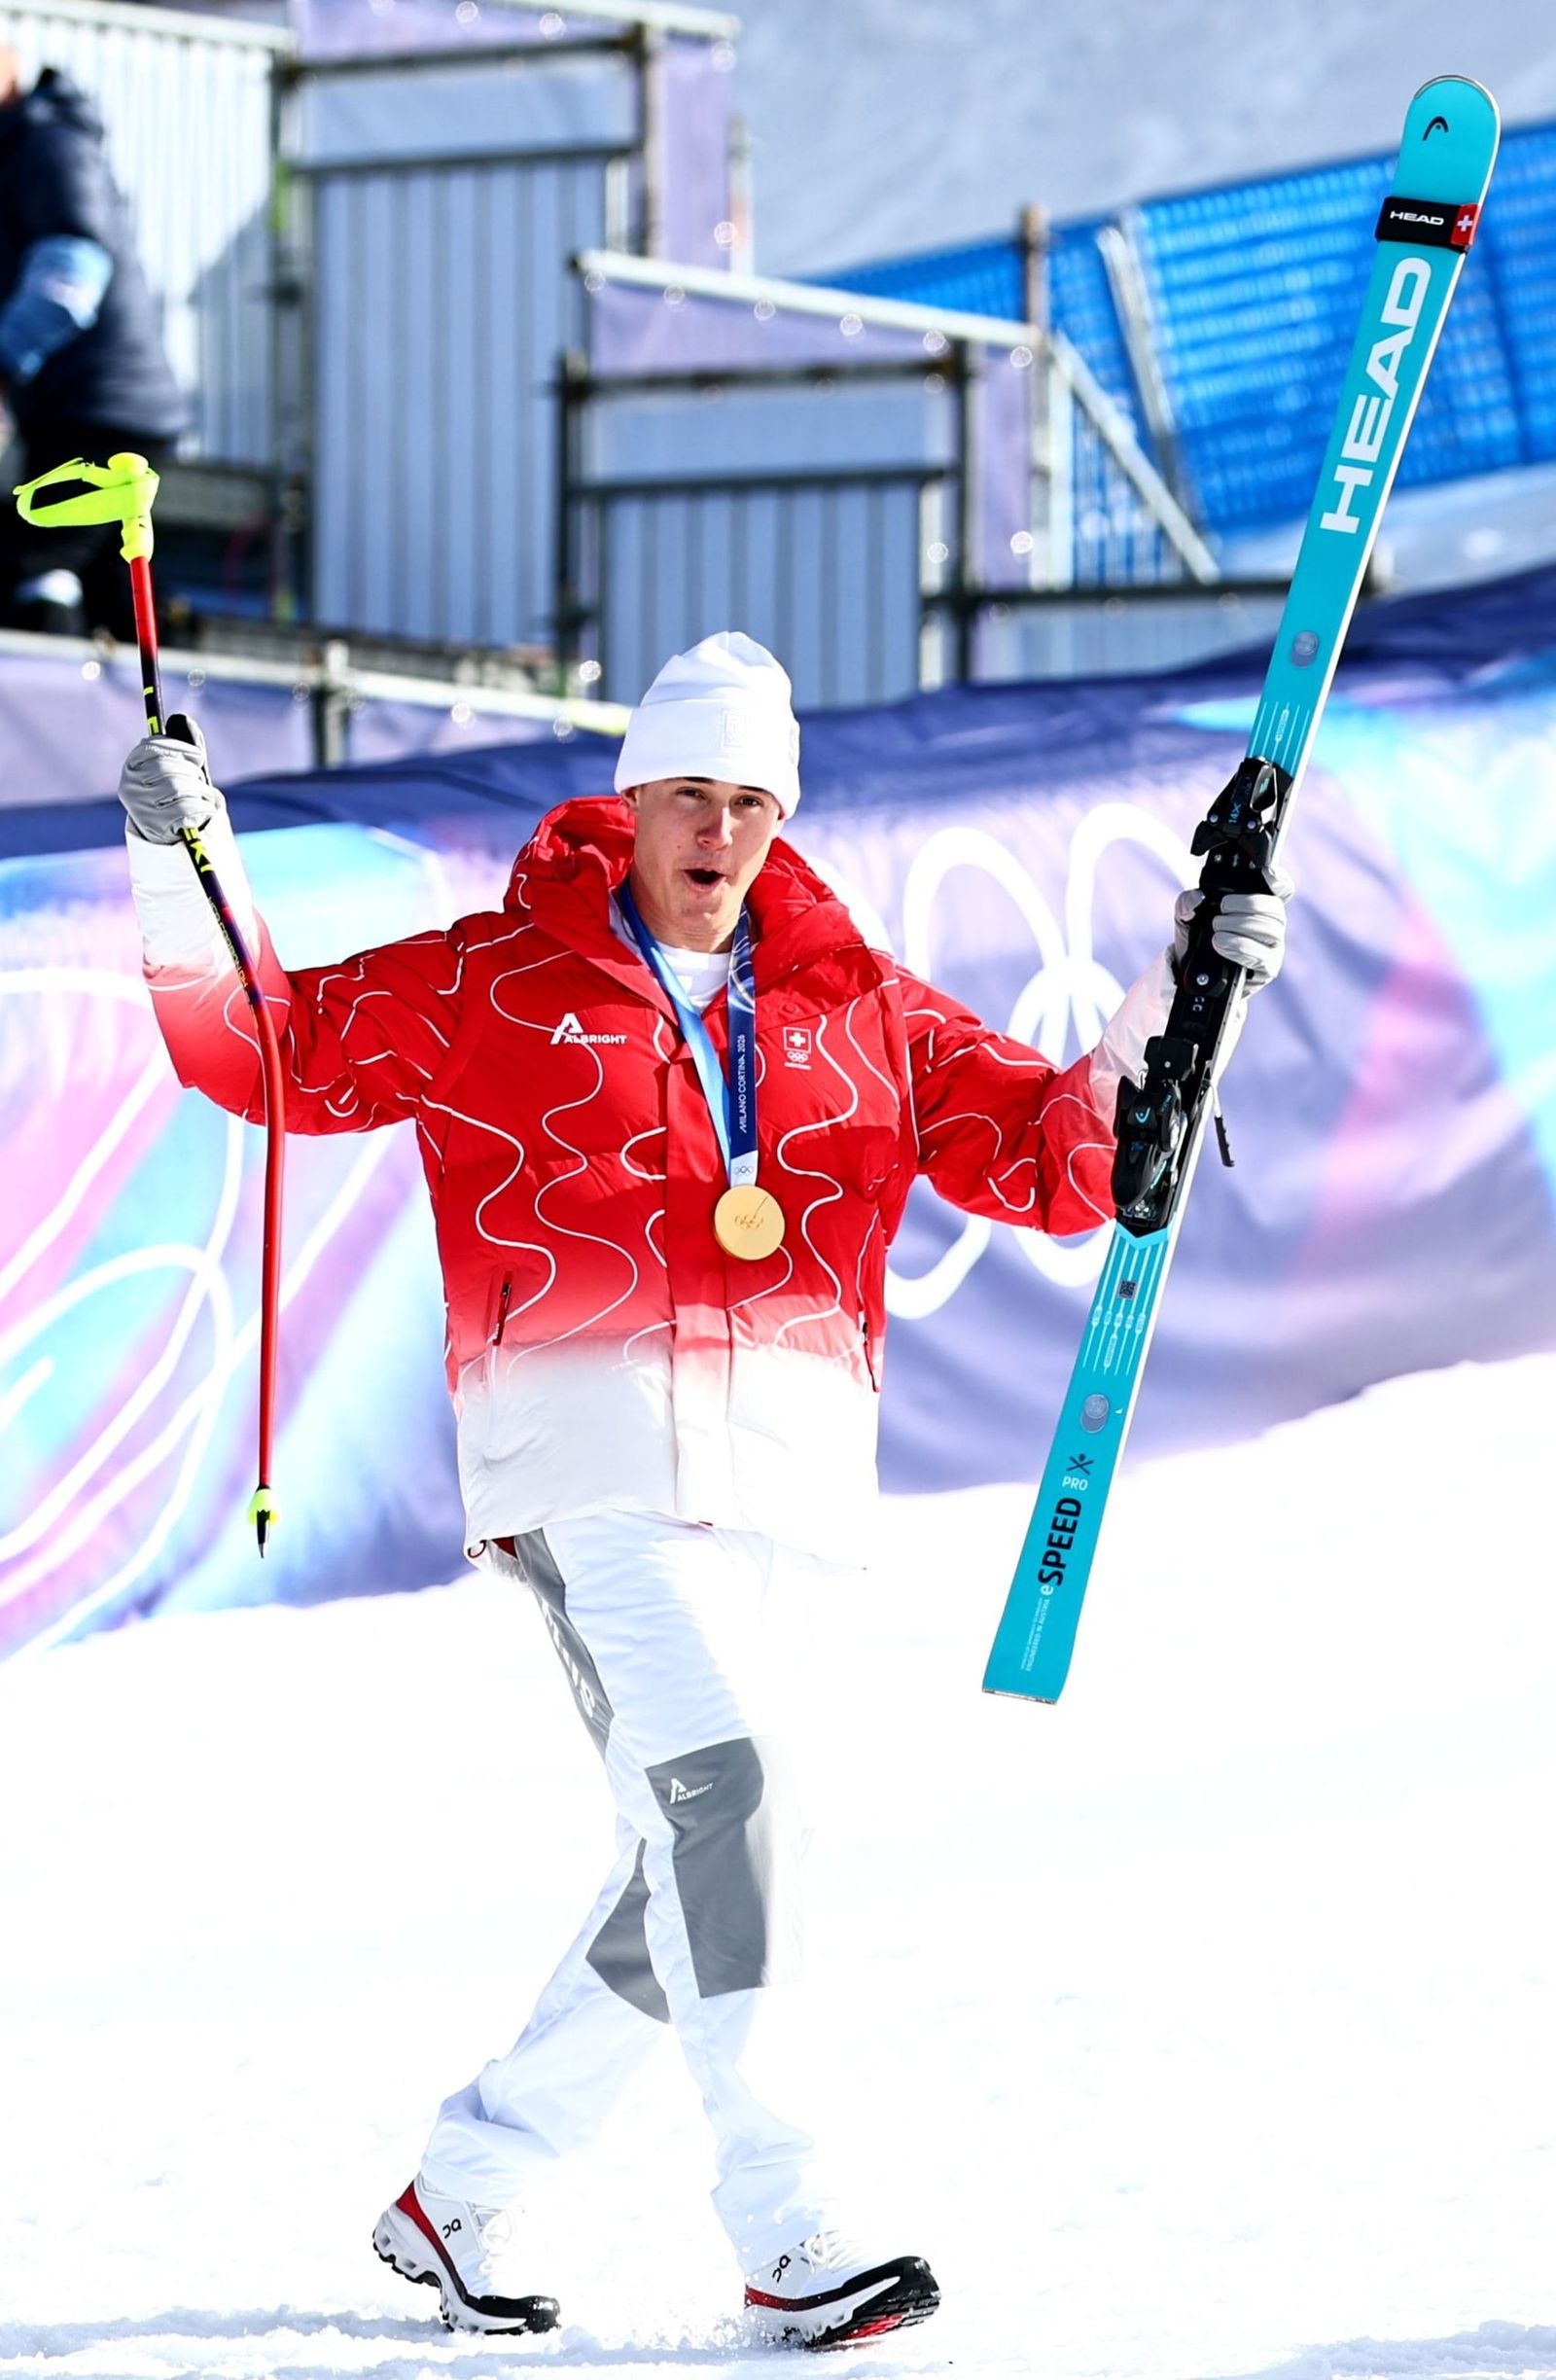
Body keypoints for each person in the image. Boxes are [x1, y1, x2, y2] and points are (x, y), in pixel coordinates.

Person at [115, 632, 1289, 2349]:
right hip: (584, 1467)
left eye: (749, 799)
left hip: (794, 1491)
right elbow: (270, 1056)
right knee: (726, 1810)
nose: (718, 829)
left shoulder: (856, 1006)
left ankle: (468, 2187)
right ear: (631, 799)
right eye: (687, 793)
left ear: (779, 816)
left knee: (699, 1853)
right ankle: (786, 2219)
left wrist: (1186, 991)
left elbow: (1056, 1153)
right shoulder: (490, 982)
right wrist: (177, 862)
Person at [0, 50, 186, 637]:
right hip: (86, 409)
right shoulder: (28, 147)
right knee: (116, 585)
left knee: (29, 566)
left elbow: (71, 275)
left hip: (98, 411)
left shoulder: (47, 146)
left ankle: (37, 727)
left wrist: (1, 363)